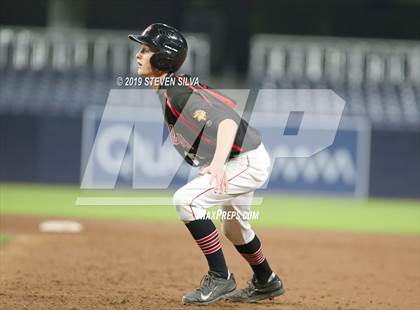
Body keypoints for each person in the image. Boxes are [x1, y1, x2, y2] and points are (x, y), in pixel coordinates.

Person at [128, 23, 284, 305]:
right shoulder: (171, 88)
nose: (139, 54)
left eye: (146, 49)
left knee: (186, 200)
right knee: (234, 228)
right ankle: (266, 280)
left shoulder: (177, 92)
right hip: (245, 156)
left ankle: (220, 277)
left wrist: (218, 164)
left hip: (245, 160)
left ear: (164, 58)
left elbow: (224, 122)